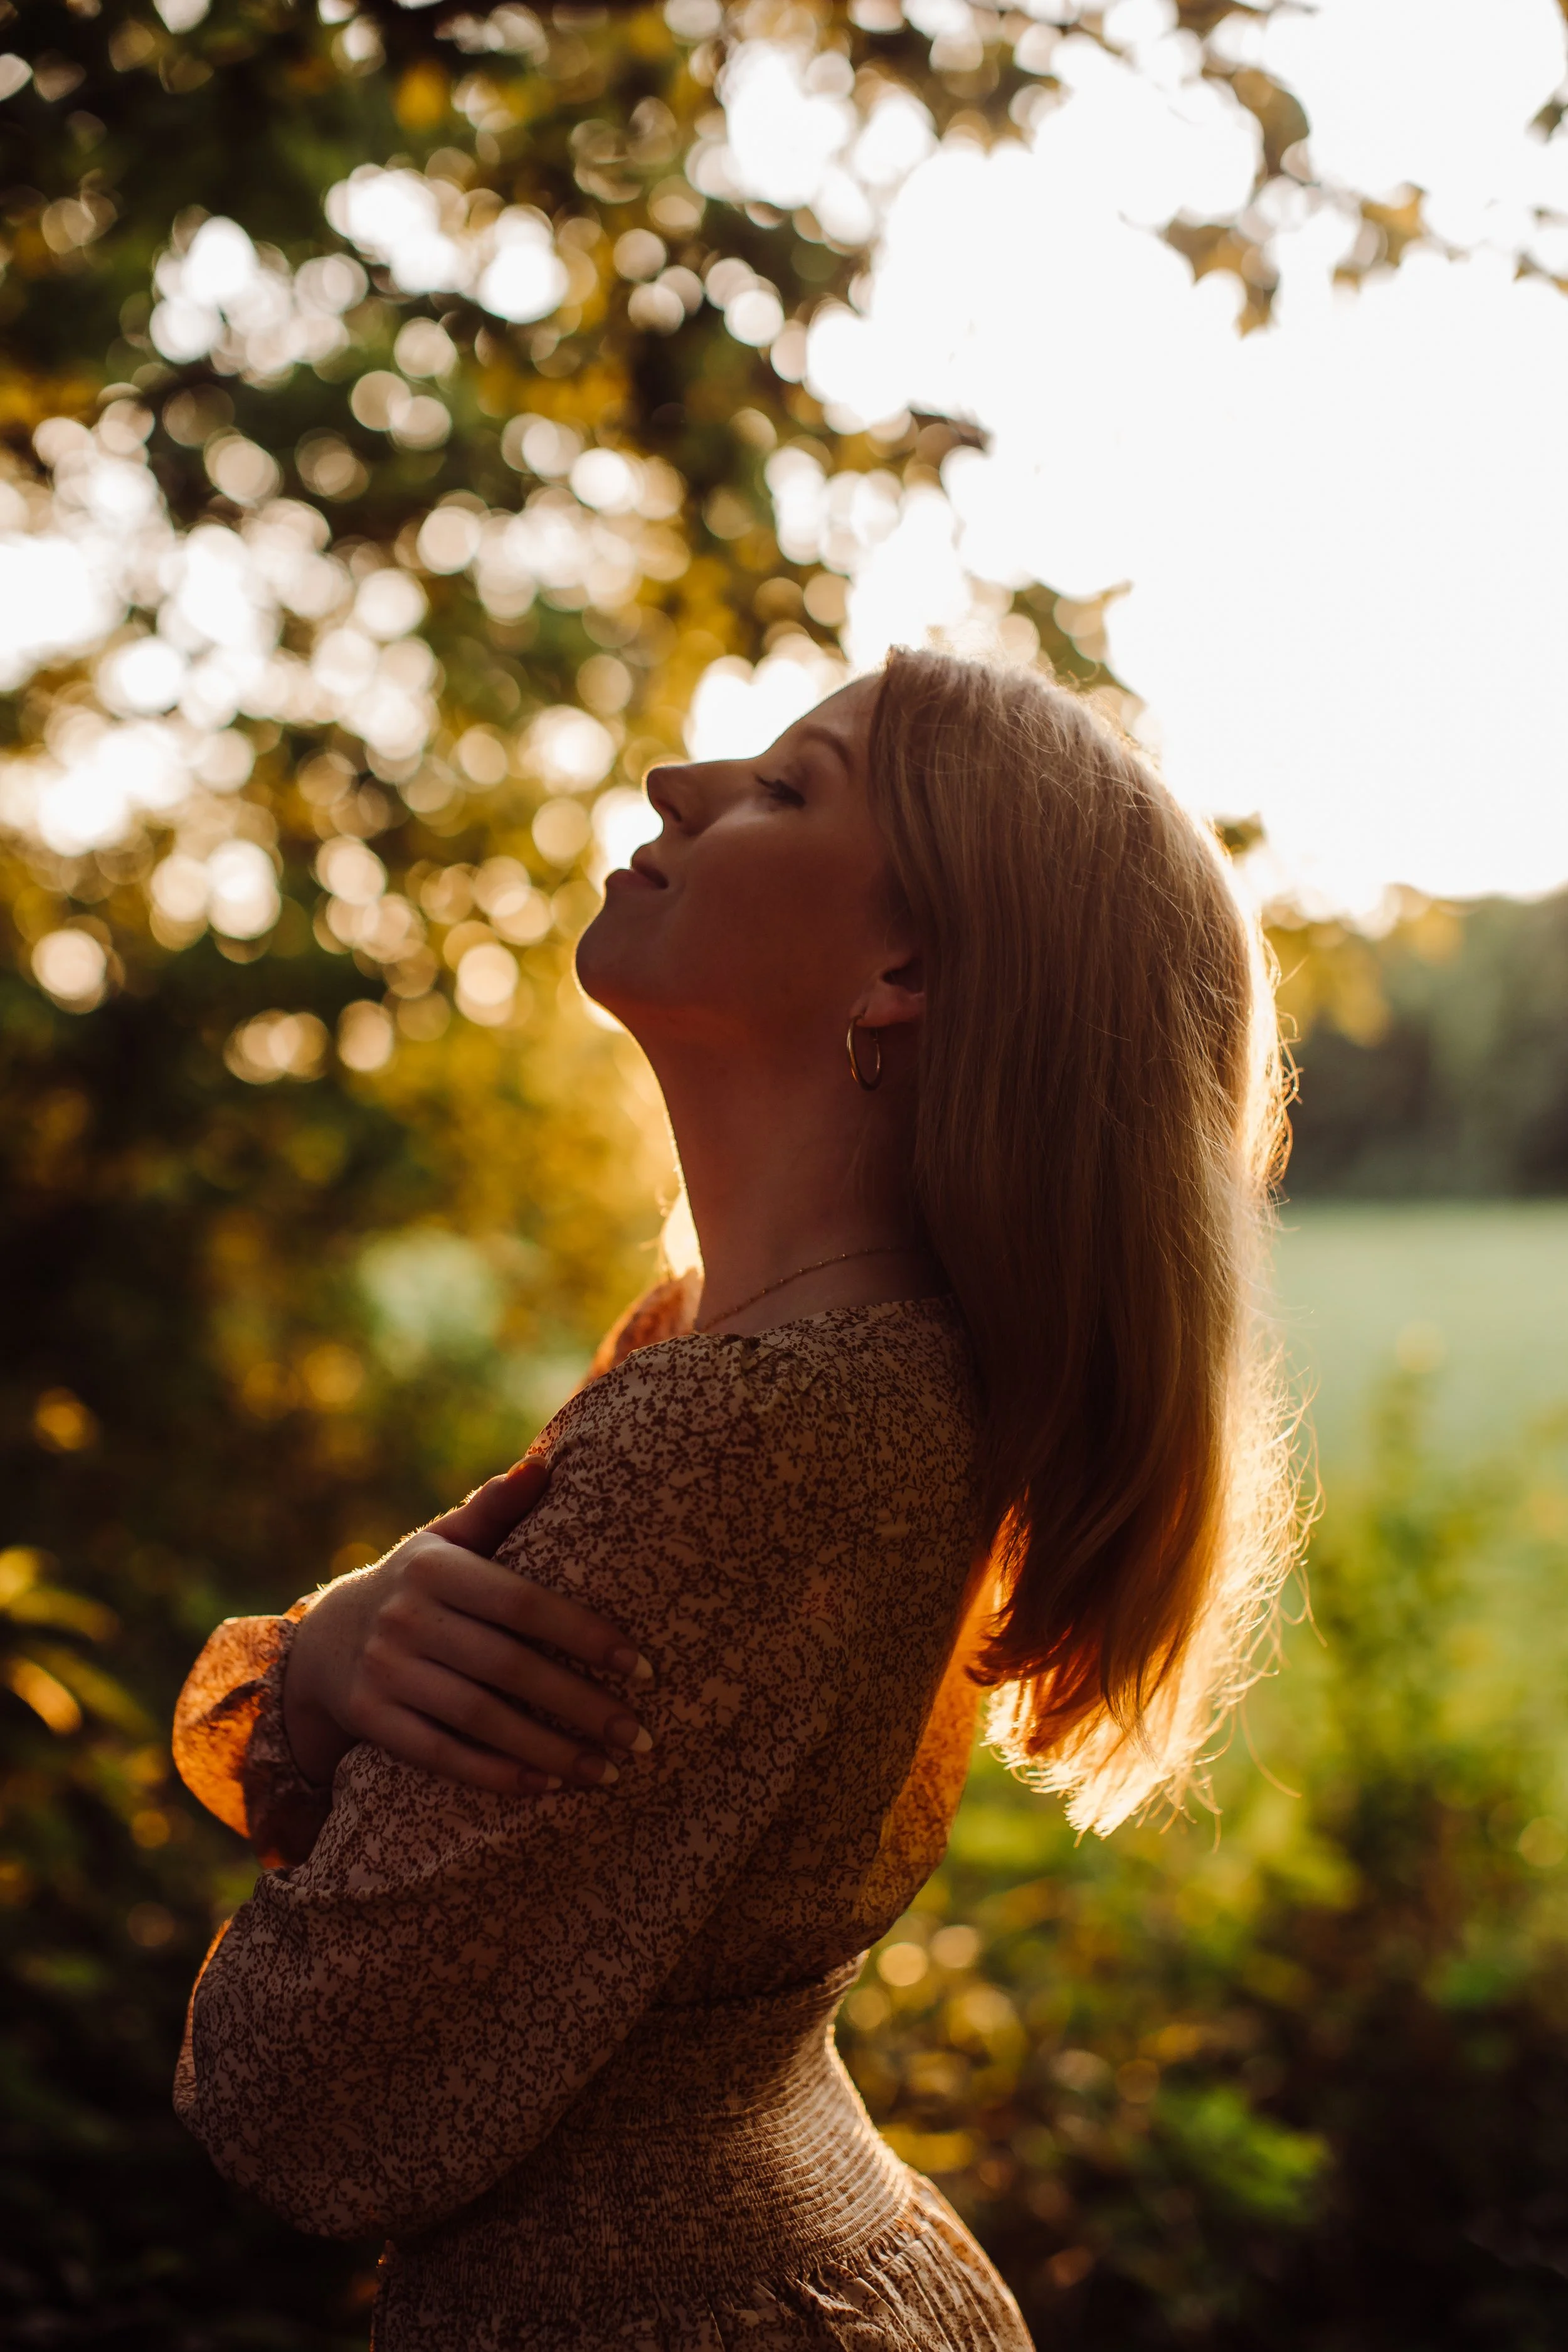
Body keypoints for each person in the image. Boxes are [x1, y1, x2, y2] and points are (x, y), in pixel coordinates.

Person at [172, 649, 1296, 2349]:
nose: (672, 785)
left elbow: (298, 2098)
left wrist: (287, 1679)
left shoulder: (759, 1426)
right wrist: (323, 1661)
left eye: (784, 787)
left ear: (905, 966)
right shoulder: (793, 1361)